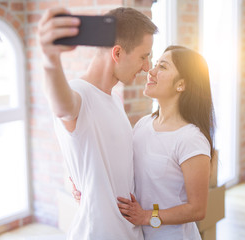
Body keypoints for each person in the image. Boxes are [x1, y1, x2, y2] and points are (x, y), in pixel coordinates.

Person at [37, 6, 158, 240]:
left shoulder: (114, 99)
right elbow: (61, 105)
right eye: (144, 56)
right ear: (118, 53)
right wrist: (50, 58)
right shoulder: (78, 94)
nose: (146, 67)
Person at [73, 45, 216, 239]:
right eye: (155, 64)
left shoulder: (191, 139)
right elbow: (123, 167)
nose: (151, 71)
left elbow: (197, 209)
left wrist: (147, 216)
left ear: (181, 84)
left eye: (162, 67)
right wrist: (87, 186)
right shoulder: (143, 125)